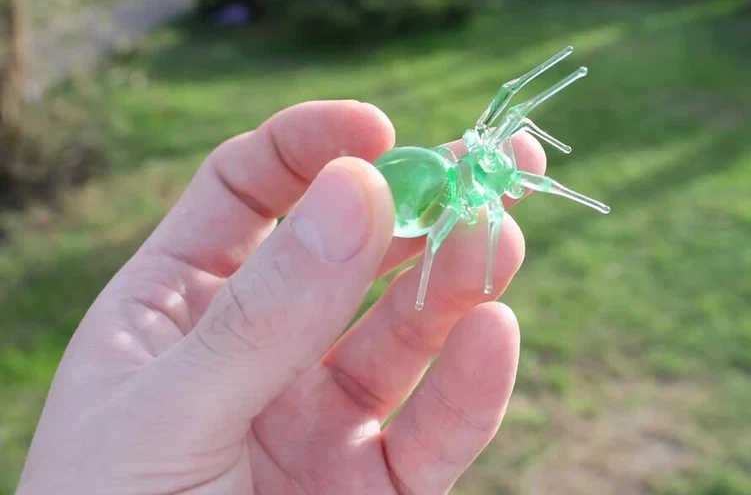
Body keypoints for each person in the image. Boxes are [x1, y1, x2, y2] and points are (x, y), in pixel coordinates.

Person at [15, 100, 547, 495]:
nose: (499, 160)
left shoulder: (477, 186)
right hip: (418, 186)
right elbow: (507, 111)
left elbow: (497, 145)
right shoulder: (472, 180)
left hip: (424, 185)